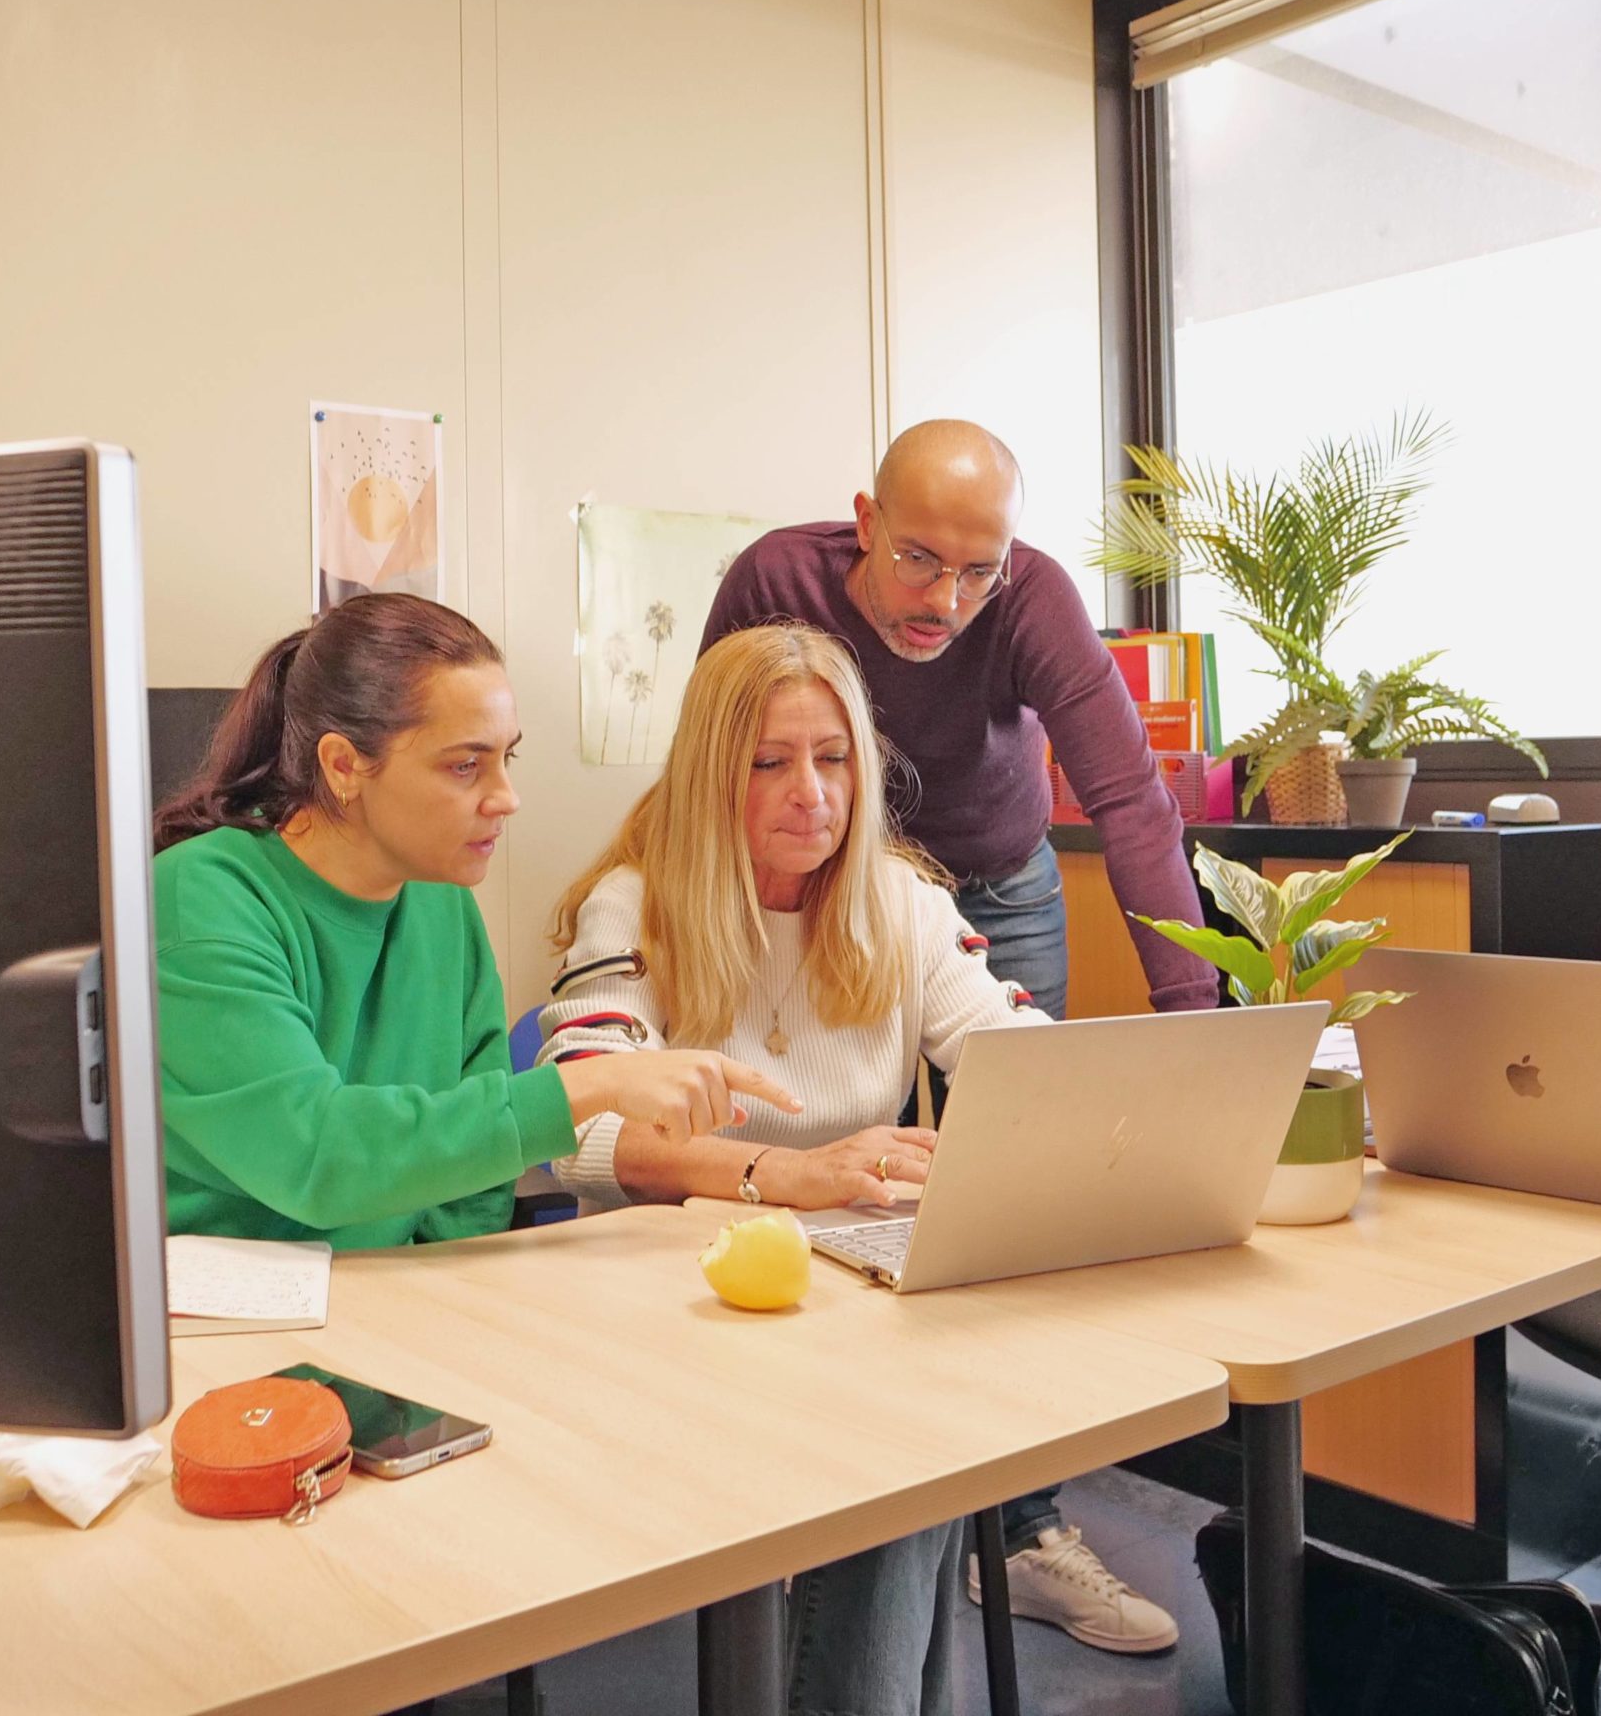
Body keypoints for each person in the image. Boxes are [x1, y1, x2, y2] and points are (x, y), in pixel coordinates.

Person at [699, 417, 1210, 1653]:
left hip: (988, 884)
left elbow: (1128, 796)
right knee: (822, 1173)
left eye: (978, 569)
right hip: (836, 891)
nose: (948, 600)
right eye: (920, 560)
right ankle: (802, 1499)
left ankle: (1021, 1529)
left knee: (1019, 1182)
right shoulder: (776, 578)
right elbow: (717, 757)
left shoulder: (1027, 598)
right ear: (862, 522)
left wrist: (1194, 1026)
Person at [540, 622, 1045, 1716]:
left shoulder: (900, 902)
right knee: (915, 1445)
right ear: (709, 774)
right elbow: (581, 1135)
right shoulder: (635, 904)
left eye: (834, 758)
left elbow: (1023, 1062)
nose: (810, 793)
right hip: (682, 1308)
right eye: (769, 762)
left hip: (856, 1289)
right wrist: (786, 1175)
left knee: (931, 1425)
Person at [153, 592, 794, 1248]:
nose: (506, 798)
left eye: (505, 758)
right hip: (229, 1326)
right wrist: (595, 1082)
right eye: (465, 766)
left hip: (392, 1301)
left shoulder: (438, 894)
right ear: (344, 766)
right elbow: (317, 1156)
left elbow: (473, 1189)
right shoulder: (200, 897)